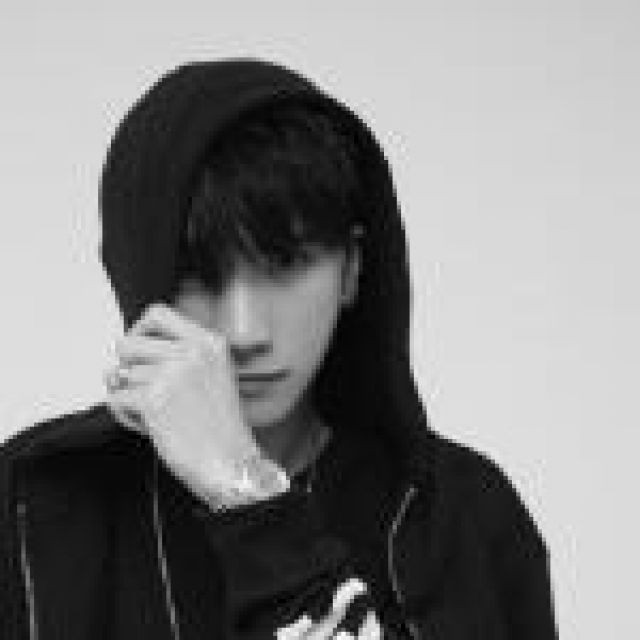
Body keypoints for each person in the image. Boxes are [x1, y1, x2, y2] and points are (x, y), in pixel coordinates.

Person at [0, 58, 559, 639]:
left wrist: (242, 492)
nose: (245, 333)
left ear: (352, 269)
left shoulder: (465, 516)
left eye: (286, 265)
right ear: (138, 274)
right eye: (198, 276)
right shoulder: (31, 503)